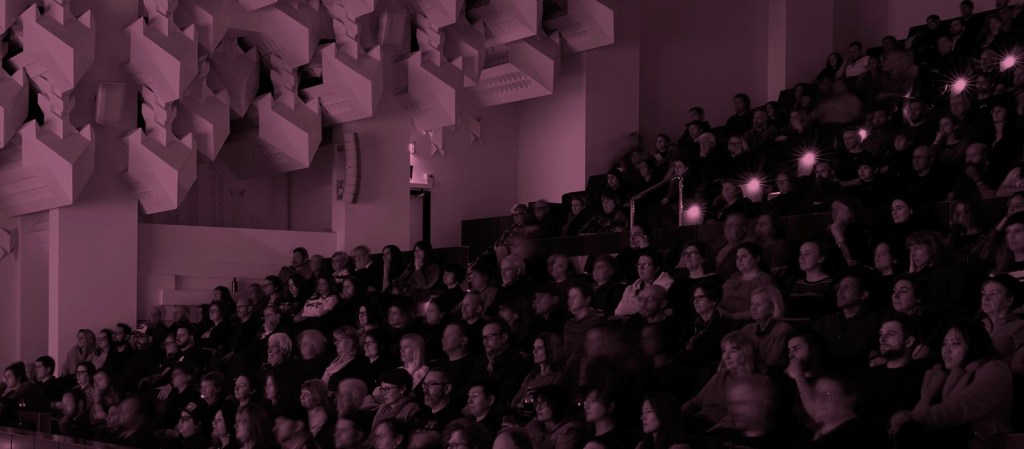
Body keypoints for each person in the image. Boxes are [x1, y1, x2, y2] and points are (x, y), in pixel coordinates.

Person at [890, 321, 1013, 449]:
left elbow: (961, 407)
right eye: (944, 343)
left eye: (956, 343)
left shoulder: (995, 369)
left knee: (912, 432)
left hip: (981, 438)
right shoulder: (949, 376)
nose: (946, 350)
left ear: (975, 345)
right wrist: (904, 418)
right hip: (957, 435)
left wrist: (914, 418)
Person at [859, 314, 927, 435]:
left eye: (890, 334)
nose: (881, 339)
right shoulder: (868, 374)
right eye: (881, 334)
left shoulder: (919, 376)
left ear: (908, 341)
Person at [681, 331, 759, 432]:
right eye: (724, 351)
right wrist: (678, 415)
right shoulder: (718, 377)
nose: (726, 357)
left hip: (719, 430)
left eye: (733, 351)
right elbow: (695, 402)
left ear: (746, 353)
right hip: (698, 421)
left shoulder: (756, 383)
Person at [814, 273, 883, 371]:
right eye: (838, 288)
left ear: (863, 295)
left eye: (847, 287)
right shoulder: (826, 321)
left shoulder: (874, 322)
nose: (839, 292)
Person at [741, 286, 793, 369]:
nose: (753, 308)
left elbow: (772, 363)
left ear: (773, 308)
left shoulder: (782, 329)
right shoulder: (747, 329)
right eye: (751, 304)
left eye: (758, 305)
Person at [721, 243, 776, 320]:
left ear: (756, 258)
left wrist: (732, 316)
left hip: (745, 322)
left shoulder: (764, 280)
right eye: (737, 257)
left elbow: (763, 310)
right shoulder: (732, 279)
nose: (739, 260)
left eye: (743, 256)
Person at [615, 249, 674, 317]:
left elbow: (645, 311)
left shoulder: (665, 285)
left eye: (645, 265)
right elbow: (618, 312)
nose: (641, 268)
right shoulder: (633, 286)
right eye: (639, 265)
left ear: (656, 268)